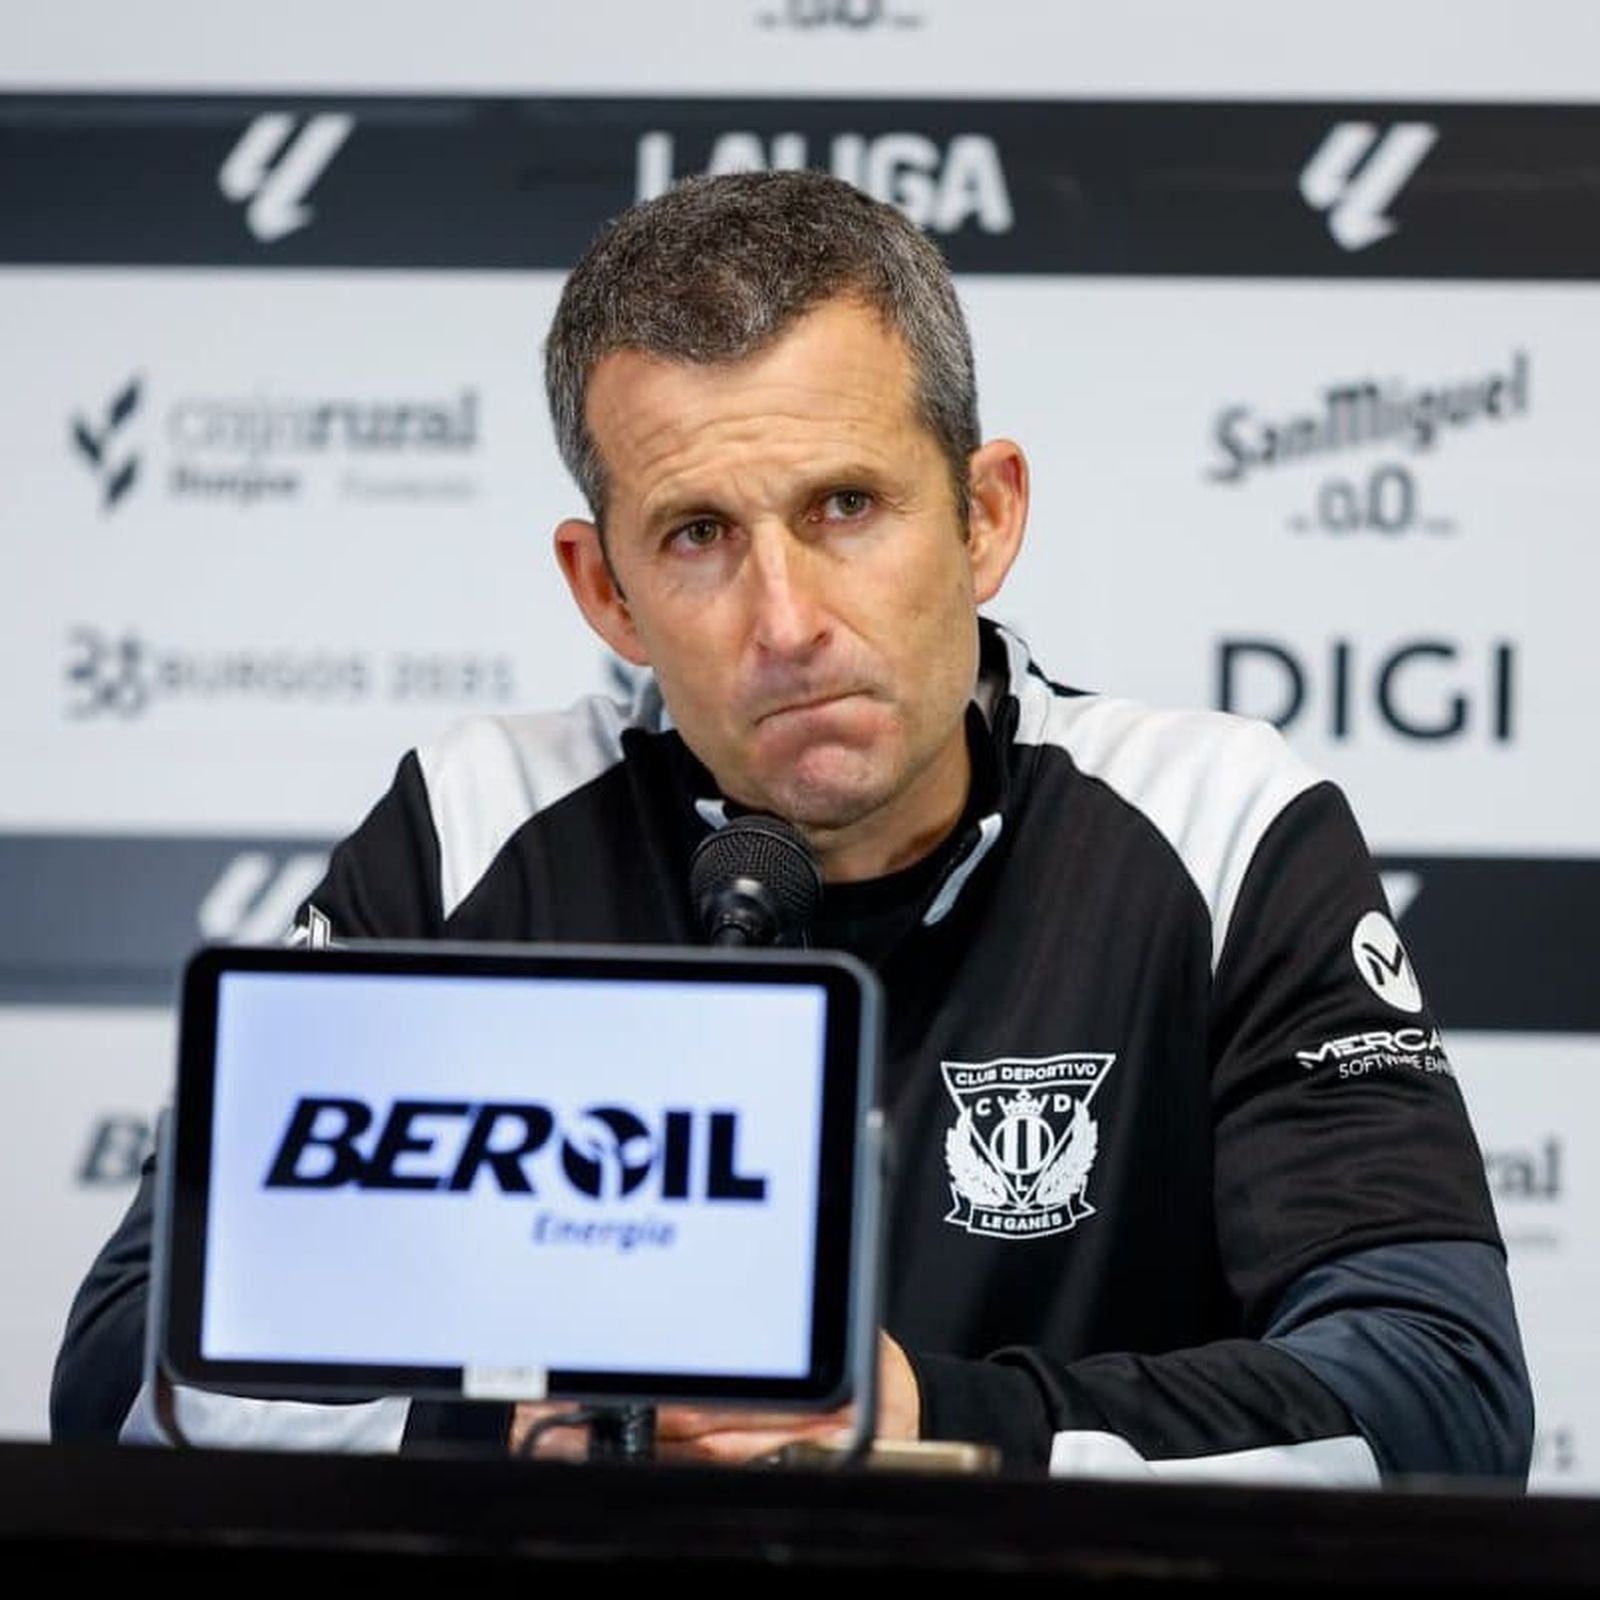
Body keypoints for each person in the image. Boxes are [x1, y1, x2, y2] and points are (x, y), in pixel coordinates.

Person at [51, 169, 1533, 1485]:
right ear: (605, 590)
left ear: (984, 514)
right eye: (699, 536)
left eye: (845, 506)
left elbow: (1439, 1395)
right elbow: (131, 1371)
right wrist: (544, 1431)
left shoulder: (1217, 825)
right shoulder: (471, 830)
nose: (787, 621)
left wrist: (930, 1424)